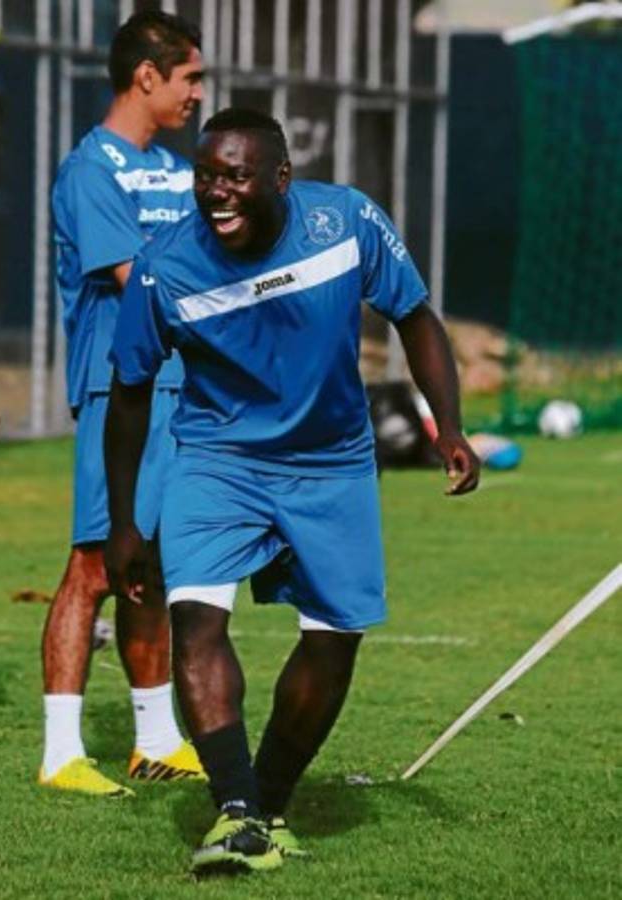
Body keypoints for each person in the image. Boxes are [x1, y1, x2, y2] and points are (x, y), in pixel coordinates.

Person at [104, 108, 479, 872]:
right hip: (217, 458)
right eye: (205, 176)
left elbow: (413, 316)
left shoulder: (346, 222)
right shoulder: (162, 266)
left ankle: (267, 804)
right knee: (195, 620)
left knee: (335, 638)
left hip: (332, 462)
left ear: (281, 177)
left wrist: (448, 427)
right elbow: (130, 391)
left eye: (234, 176)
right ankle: (236, 809)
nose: (216, 192)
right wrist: (124, 525)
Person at [39, 9, 205, 797]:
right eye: (190, 78)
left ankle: (155, 740)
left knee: (154, 564)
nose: (197, 94)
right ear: (147, 76)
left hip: (184, 386)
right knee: (94, 564)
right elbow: (135, 280)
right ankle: (61, 753)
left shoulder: (178, 171)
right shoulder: (88, 170)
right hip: (120, 386)